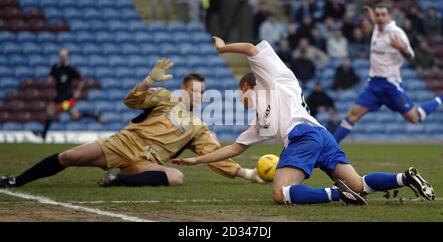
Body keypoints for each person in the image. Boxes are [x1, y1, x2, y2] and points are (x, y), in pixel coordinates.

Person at [171, 36, 436, 206]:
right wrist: (195, 160)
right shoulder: (259, 122)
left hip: (303, 137)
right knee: (360, 186)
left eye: (240, 93)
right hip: (322, 137)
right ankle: (404, 178)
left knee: (281, 193)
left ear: (245, 87)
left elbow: (251, 49)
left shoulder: (273, 80)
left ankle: (335, 193)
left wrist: (222, 48)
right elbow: (233, 149)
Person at [0, 59, 264, 188]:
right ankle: (16, 180)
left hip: (145, 162)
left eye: (203, 92)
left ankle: (116, 179)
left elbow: (215, 155)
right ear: (184, 88)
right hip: (123, 143)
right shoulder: (166, 99)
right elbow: (132, 100)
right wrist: (149, 80)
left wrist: (247, 173)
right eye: (196, 90)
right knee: (69, 156)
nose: (200, 95)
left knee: (176, 177)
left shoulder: (199, 127)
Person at [332, 4, 443, 144]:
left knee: (415, 118)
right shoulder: (376, 27)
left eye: (383, 15)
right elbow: (376, 21)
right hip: (374, 85)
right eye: (378, 15)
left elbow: (411, 55)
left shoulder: (396, 33)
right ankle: (329, 148)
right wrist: (371, 15)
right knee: (352, 115)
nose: (380, 18)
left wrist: (401, 48)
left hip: (390, 85)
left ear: (390, 16)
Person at [36, 49, 101, 141]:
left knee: (52, 111)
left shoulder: (70, 69)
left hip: (68, 98)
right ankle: (94, 115)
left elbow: (82, 79)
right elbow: (50, 78)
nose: (62, 58)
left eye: (64, 56)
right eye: (61, 56)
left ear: (67, 57)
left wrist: (78, 90)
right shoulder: (55, 67)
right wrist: (48, 81)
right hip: (59, 96)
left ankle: (43, 135)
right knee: (74, 115)